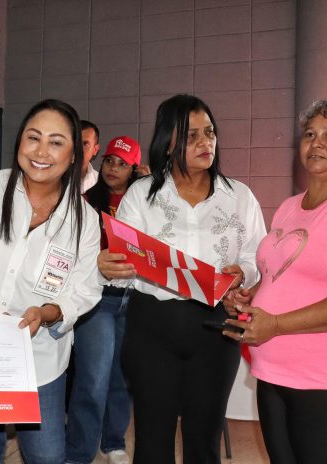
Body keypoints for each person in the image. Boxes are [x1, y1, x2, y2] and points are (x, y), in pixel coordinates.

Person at [98, 94, 266, 463]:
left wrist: (243, 272)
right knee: (152, 440)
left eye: (210, 132)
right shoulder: (141, 194)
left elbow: (257, 255)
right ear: (167, 142)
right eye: (191, 136)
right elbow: (125, 263)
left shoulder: (239, 196)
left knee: (204, 440)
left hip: (216, 328)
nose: (206, 142)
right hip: (151, 327)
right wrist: (111, 266)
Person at [224, 98, 327, 464]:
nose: (316, 143)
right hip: (273, 373)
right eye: (310, 134)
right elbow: (281, 275)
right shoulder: (289, 207)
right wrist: (250, 296)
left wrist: (277, 323)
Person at [0, 99, 103, 463]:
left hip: (40, 358)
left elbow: (85, 289)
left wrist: (49, 312)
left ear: (74, 155)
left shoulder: (85, 220)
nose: (41, 152)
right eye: (33, 138)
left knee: (47, 455)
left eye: (56, 142)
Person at [65, 135, 141, 464]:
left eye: (123, 164)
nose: (113, 168)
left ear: (134, 169)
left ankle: (113, 443)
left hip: (134, 299)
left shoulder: (145, 201)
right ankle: (79, 453)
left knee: (122, 378)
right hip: (97, 299)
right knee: (92, 379)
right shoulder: (86, 201)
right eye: (110, 160)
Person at [80, 120, 101, 193]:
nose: (78, 148)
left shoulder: (100, 182)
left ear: (95, 150)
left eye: (85, 144)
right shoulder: (53, 180)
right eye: (74, 142)